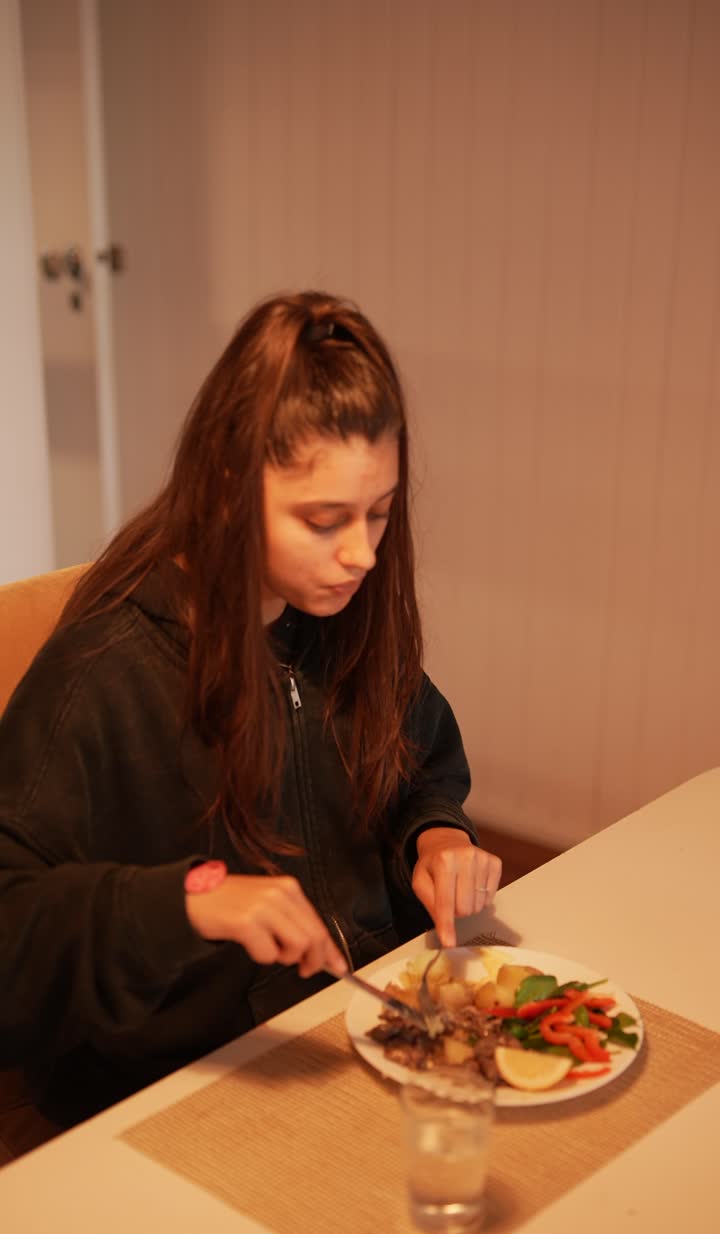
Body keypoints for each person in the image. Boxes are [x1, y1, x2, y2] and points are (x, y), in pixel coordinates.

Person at [0, 290, 501, 1130]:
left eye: (379, 514)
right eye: (323, 519)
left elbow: (417, 762)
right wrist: (190, 901)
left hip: (361, 1037)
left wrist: (438, 834)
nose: (363, 555)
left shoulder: (337, 617)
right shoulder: (101, 676)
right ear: (229, 486)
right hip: (182, 1098)